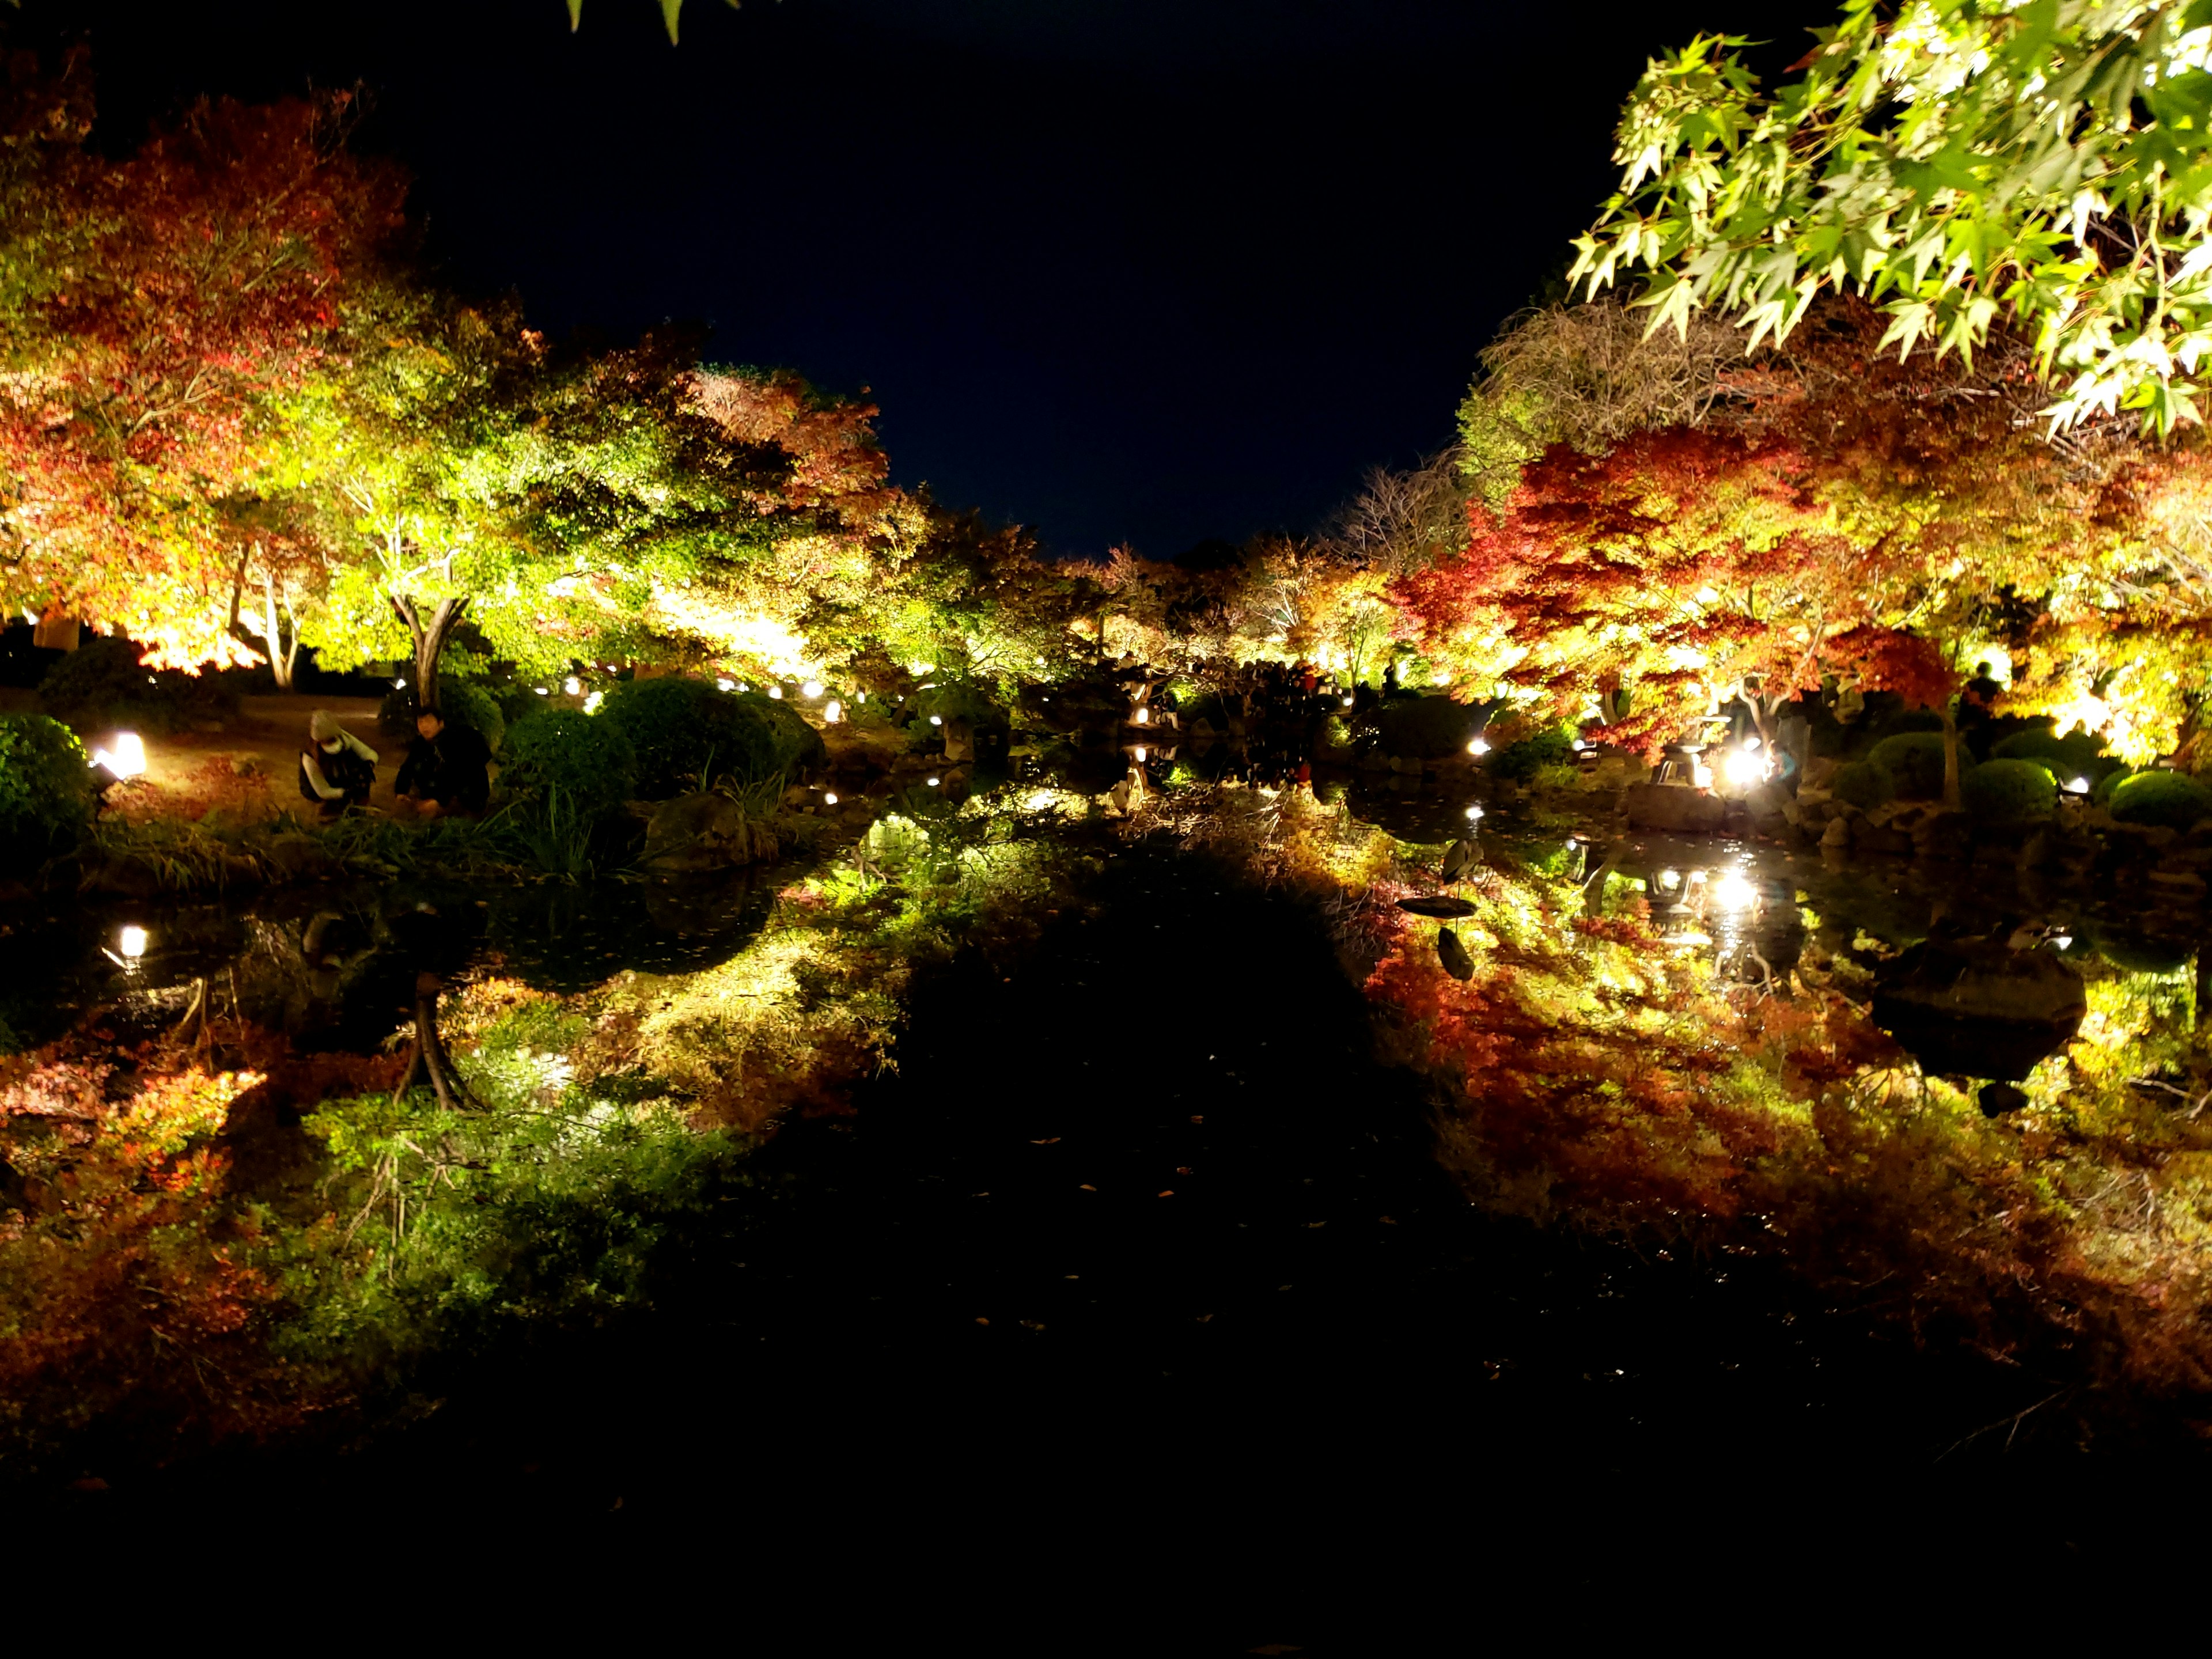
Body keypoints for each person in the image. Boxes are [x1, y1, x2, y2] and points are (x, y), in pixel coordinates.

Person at [395, 705, 490, 817]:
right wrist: (401, 791)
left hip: (466, 793)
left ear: (441, 723)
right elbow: (408, 767)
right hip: (438, 791)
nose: (424, 726)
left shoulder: (457, 739)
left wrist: (440, 800)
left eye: (429, 722)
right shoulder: (422, 743)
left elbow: (460, 774)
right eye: (421, 722)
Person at [299, 709, 378, 817]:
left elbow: (368, 753)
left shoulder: (345, 739)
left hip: (344, 778)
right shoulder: (310, 757)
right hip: (323, 789)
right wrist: (343, 793)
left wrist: (369, 764)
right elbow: (322, 790)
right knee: (327, 814)